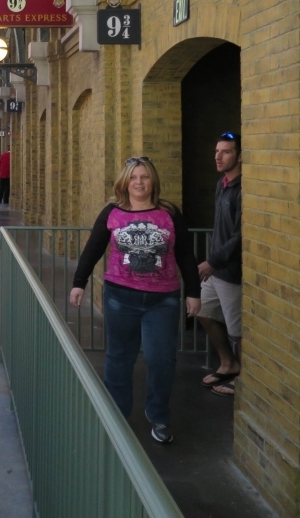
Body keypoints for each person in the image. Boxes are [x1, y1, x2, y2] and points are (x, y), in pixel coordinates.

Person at [69, 157, 201, 444]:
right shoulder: (112, 212)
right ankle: (117, 416)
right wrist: (79, 283)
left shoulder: (169, 213)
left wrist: (193, 291)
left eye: (144, 177)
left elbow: (186, 256)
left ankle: (159, 415)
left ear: (153, 181)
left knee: (161, 358)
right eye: (133, 178)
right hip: (120, 296)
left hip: (162, 298)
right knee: (119, 357)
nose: (139, 182)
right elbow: (93, 248)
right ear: (124, 182)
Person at [198, 132, 243, 397]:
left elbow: (240, 235)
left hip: (230, 272)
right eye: (217, 151)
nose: (218, 156)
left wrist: (212, 261)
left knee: (238, 331)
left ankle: (244, 380)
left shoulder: (242, 189)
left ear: (239, 156)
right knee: (202, 311)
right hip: (215, 270)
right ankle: (228, 363)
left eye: (225, 151)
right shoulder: (222, 184)